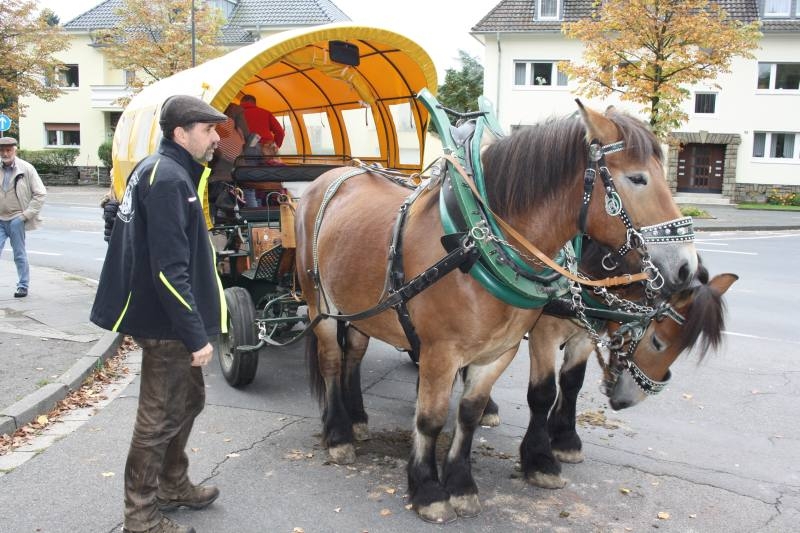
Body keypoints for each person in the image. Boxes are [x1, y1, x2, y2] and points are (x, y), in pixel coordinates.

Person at [90, 95, 229, 533]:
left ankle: (173, 484)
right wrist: (195, 335)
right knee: (157, 420)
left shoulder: (157, 168)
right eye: (208, 130)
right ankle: (141, 516)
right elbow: (169, 270)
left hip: (165, 318)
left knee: (189, 401)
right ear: (181, 133)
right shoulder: (169, 178)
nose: (217, 138)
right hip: (167, 324)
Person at [0, 136, 46, 298]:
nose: (5, 154)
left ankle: (23, 285)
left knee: (19, 254)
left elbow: (40, 194)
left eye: (8, 150)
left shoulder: (26, 168)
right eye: (2, 151)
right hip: (0, 219)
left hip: (16, 219)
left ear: (15, 150)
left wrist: (25, 215)